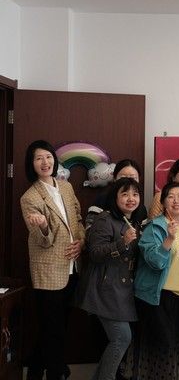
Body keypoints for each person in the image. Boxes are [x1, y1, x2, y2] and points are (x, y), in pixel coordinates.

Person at [20, 140, 86, 380]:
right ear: (32, 164)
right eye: (38, 158)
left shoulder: (66, 187)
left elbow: (78, 219)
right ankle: (57, 373)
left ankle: (35, 371)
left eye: (48, 157)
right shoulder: (29, 197)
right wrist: (43, 225)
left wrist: (81, 242)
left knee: (57, 326)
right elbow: (42, 241)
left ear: (54, 160)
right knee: (53, 330)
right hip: (48, 272)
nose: (45, 162)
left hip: (72, 267)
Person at [78, 177, 145, 380]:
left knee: (121, 338)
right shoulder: (105, 219)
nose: (130, 199)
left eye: (135, 194)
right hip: (104, 287)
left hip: (122, 290)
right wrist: (122, 243)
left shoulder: (134, 222)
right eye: (124, 194)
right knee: (122, 337)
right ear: (115, 198)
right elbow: (95, 253)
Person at [134, 181, 179, 379]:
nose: (176, 201)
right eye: (171, 196)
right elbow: (154, 261)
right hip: (158, 297)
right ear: (163, 202)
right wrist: (169, 239)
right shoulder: (154, 227)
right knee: (163, 348)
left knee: (177, 347)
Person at [86, 158, 147, 228]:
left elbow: (144, 231)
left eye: (133, 178)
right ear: (114, 179)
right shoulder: (102, 200)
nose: (127, 182)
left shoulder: (140, 207)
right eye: (123, 178)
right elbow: (90, 229)